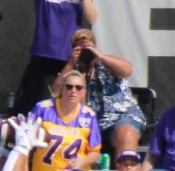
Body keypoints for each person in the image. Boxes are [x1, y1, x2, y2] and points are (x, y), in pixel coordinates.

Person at [10, 0, 96, 116]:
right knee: (34, 107)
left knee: (68, 104)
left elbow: (92, 18)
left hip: (70, 56)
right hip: (44, 54)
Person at [55, 28, 144, 158]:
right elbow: (56, 90)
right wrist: (71, 63)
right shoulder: (73, 71)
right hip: (87, 122)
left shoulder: (107, 63)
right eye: (80, 48)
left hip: (120, 117)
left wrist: (100, 56)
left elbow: (127, 70)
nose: (85, 52)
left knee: (127, 133)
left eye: (88, 47)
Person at [28, 69, 102, 171]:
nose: (73, 91)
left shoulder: (89, 116)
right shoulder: (42, 109)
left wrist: (83, 160)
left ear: (84, 92)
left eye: (78, 88)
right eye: (69, 87)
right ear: (62, 88)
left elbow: (95, 152)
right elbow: (24, 143)